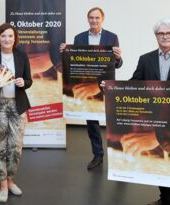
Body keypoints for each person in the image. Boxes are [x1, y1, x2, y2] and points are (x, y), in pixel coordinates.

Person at [102, 18, 170, 205]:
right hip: (151, 125)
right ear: (156, 36)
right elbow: (132, 85)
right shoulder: (145, 59)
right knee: (161, 170)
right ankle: (164, 199)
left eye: (168, 33)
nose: (164, 36)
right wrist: (109, 87)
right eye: (161, 33)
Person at [60, 7, 123, 170]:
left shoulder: (112, 37)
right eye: (91, 18)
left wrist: (118, 57)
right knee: (92, 122)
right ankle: (98, 155)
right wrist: (65, 52)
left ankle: (120, 158)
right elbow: (74, 61)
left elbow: (117, 64)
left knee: (113, 122)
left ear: (103, 19)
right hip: (87, 85)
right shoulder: (79, 38)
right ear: (88, 19)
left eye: (97, 18)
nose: (94, 20)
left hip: (106, 86)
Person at [0, 23, 32, 203]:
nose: (7, 39)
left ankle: (11, 180)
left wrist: (22, 82)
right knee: (0, 147)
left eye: (10, 36)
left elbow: (29, 80)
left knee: (16, 146)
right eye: (3, 36)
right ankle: (3, 184)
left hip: (17, 105)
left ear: (14, 38)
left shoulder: (21, 55)